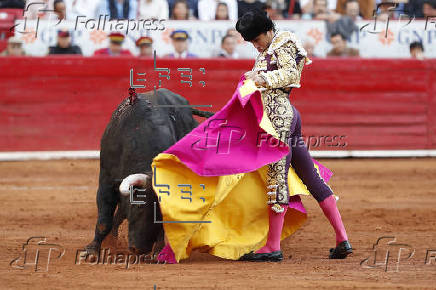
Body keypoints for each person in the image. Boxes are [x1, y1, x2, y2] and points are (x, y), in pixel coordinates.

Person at [151, 9, 351, 264]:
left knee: (277, 180)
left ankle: (273, 246)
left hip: (279, 118)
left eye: (257, 40)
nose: (256, 46)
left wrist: (260, 78)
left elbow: (292, 75)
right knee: (310, 176)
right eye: (252, 42)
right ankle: (341, 238)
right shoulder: (269, 49)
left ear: (268, 30)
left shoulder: (285, 40)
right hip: (282, 116)